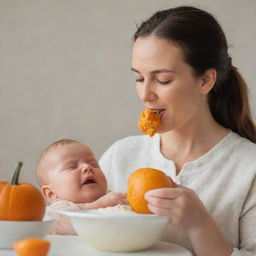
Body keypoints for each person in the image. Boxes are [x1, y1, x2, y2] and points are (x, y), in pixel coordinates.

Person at [99, 6, 256, 256]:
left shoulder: (249, 169)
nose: (146, 95)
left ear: (205, 80)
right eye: (139, 79)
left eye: (162, 80)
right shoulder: (120, 156)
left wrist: (199, 223)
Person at [36, 139, 127, 235]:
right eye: (72, 167)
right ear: (51, 194)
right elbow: (52, 221)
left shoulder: (113, 198)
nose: (87, 167)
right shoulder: (59, 209)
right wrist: (97, 205)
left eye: (93, 164)